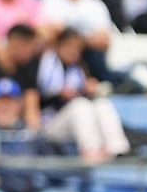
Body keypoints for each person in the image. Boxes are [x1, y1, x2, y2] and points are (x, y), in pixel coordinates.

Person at [36, 28, 129, 160]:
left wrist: (88, 89)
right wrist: (64, 93)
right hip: (49, 125)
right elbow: (45, 94)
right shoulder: (46, 62)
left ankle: (118, 149)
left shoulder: (78, 69)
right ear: (58, 45)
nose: (72, 51)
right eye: (68, 45)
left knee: (102, 103)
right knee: (80, 107)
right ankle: (91, 152)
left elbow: (76, 94)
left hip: (73, 123)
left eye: (77, 48)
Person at [43, 0, 116, 77]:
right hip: (59, 62)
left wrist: (77, 42)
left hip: (90, 60)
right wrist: (85, 39)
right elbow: (48, 36)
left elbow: (104, 40)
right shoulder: (48, 3)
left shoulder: (96, 5)